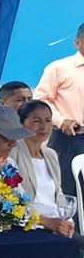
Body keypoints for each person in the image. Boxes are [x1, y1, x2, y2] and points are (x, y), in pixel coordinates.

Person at [11, 100, 75, 237]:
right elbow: (12, 198)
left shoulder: (50, 155)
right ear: (21, 124)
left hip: (56, 225)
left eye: (48, 121)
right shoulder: (13, 154)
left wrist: (67, 221)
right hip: (30, 227)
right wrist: (46, 221)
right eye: (36, 121)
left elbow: (59, 195)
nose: (43, 127)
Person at [34, 22, 84, 196]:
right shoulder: (59, 68)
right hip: (69, 138)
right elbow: (41, 99)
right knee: (67, 192)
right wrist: (61, 120)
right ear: (77, 43)